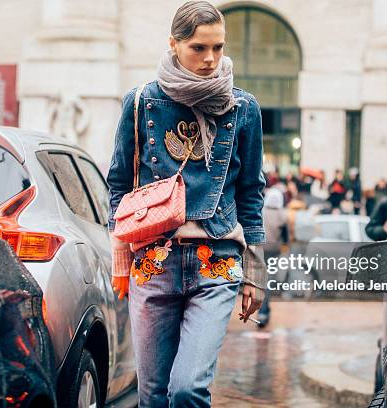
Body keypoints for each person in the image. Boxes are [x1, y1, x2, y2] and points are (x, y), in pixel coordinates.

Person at [107, 2, 266, 406]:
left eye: (218, 47)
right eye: (198, 48)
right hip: (153, 261)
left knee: (188, 388)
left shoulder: (243, 108)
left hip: (218, 259)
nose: (211, 59)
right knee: (153, 395)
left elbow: (251, 192)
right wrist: (121, 260)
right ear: (173, 44)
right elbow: (119, 183)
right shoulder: (140, 102)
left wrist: (255, 273)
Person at [256, 187, 288, 327]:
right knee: (269, 281)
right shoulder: (282, 215)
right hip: (274, 251)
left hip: (260, 249)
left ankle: (262, 310)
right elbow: (285, 238)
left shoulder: (261, 212)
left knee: (259, 280)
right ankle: (264, 310)